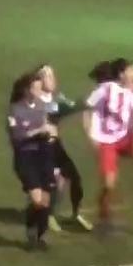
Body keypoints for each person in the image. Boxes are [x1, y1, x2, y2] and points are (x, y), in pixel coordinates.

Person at [83, 58, 133, 234]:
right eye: (131, 71)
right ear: (121, 74)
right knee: (109, 184)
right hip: (107, 141)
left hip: (125, 136)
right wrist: (91, 135)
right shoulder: (105, 89)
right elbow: (87, 109)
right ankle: (104, 220)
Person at [36, 64, 93, 232]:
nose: (52, 79)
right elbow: (56, 111)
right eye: (47, 76)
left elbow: (71, 106)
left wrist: (86, 103)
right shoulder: (36, 101)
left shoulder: (55, 99)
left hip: (56, 147)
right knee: (56, 182)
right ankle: (49, 215)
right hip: (43, 148)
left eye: (52, 75)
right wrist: (76, 105)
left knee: (74, 177)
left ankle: (76, 214)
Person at [6, 71, 58, 250]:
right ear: (26, 90)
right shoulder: (15, 110)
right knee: (37, 200)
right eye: (35, 87)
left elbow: (51, 125)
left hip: (43, 156)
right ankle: (30, 232)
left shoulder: (43, 106)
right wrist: (38, 131)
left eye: (39, 87)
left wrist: (51, 135)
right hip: (25, 157)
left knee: (45, 202)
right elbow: (17, 137)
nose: (39, 90)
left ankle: (40, 237)